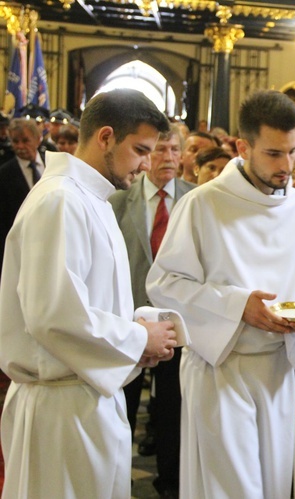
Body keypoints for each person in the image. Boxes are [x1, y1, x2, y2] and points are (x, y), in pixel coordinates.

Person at [145, 90, 295, 498]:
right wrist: (237, 306)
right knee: (231, 489)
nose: (286, 166)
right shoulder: (203, 205)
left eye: (293, 152)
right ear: (243, 146)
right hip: (221, 368)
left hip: (275, 369)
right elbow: (164, 285)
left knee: (271, 484)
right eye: (273, 154)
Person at [0, 88, 176, 498]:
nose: (147, 164)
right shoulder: (60, 201)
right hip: (60, 410)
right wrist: (136, 339)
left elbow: (86, 306)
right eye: (140, 150)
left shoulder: (91, 199)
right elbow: (54, 317)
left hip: (85, 398)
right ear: (105, 137)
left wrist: (136, 338)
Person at [110, 123, 195, 498]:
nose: (169, 158)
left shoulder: (196, 200)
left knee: (173, 411)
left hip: (178, 322)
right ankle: (118, 479)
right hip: (127, 320)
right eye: (161, 150)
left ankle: (171, 484)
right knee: (122, 406)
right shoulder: (118, 199)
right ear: (146, 156)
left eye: (175, 150)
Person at [0, 118, 45, 277]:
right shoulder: (4, 174)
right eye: (15, 141)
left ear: (38, 139)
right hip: (22, 249)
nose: (20, 146)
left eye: (25, 140)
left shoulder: (53, 162)